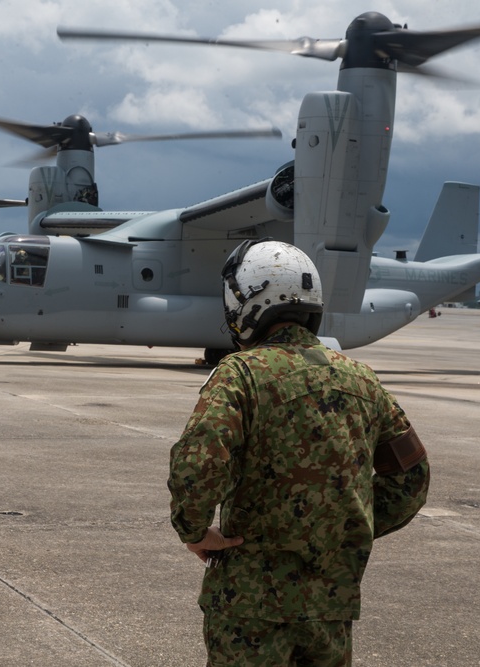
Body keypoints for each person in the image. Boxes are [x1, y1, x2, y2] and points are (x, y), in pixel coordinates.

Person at [169, 240, 430, 666]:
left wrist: (194, 531)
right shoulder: (362, 379)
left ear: (246, 303)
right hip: (331, 601)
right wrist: (343, 528)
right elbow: (411, 477)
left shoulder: (241, 375)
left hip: (251, 605)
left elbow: (199, 463)